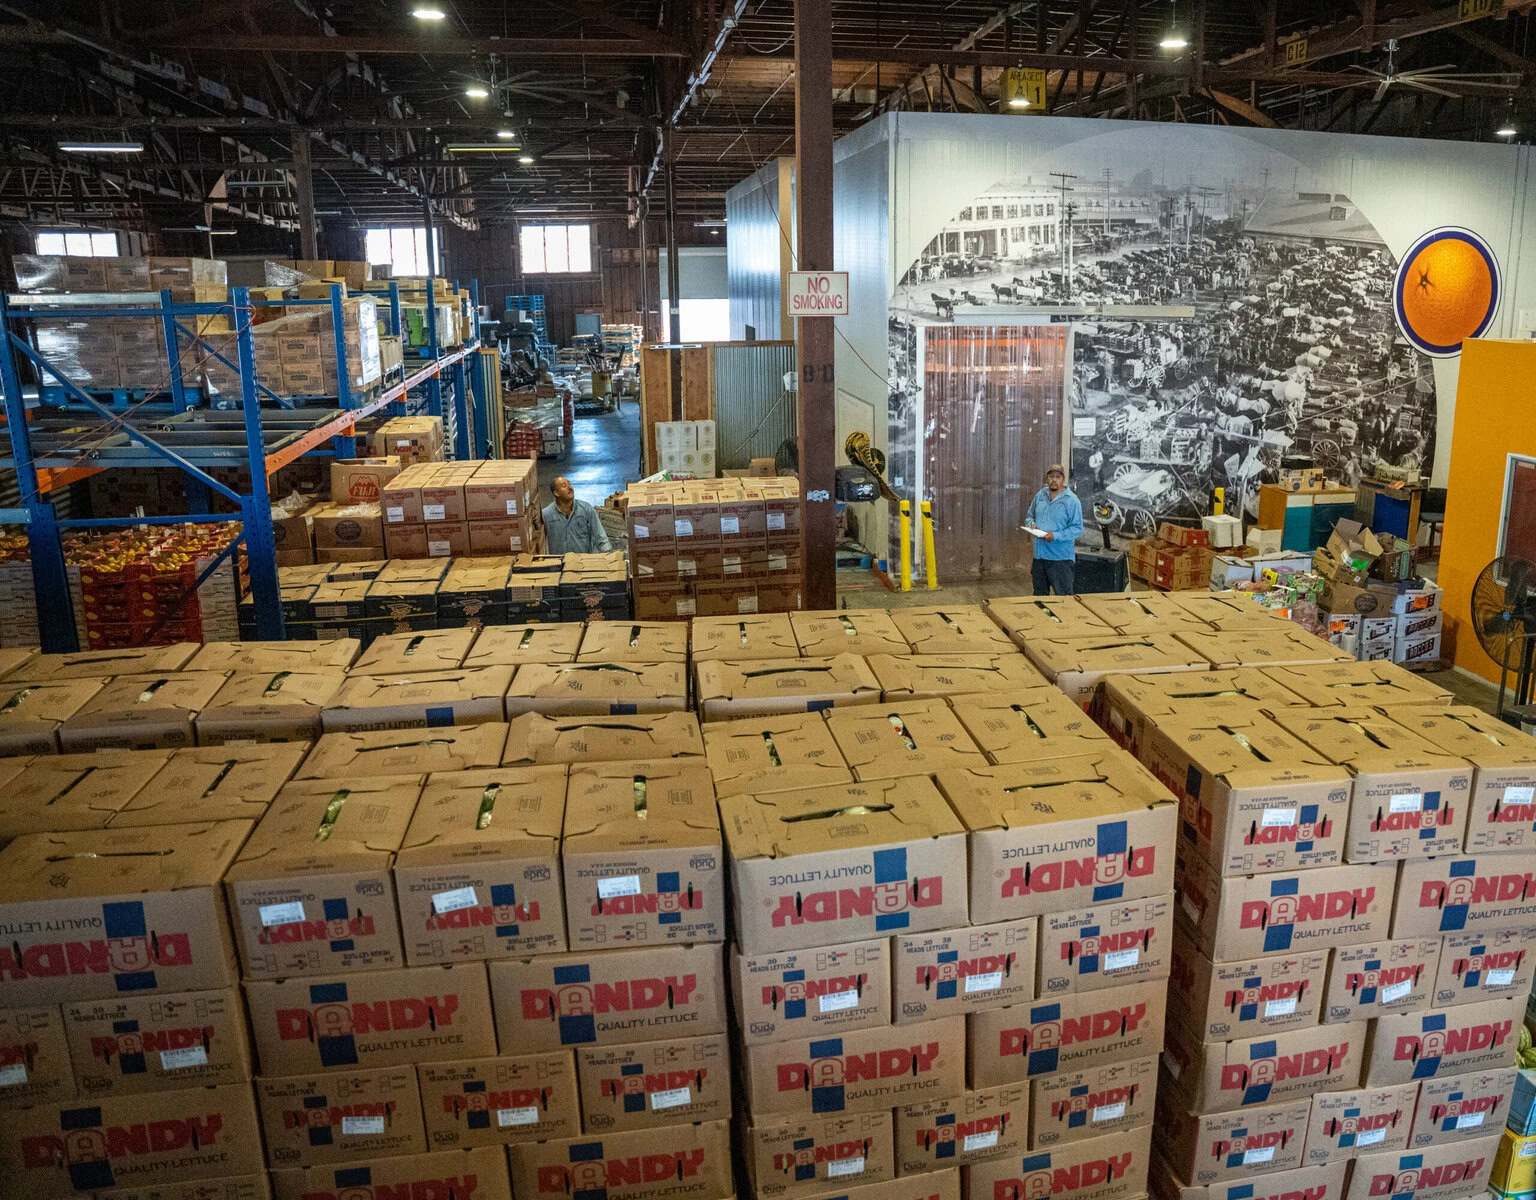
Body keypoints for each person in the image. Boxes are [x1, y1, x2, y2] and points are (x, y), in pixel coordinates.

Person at [1026, 463, 1083, 595]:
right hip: (1039, 557)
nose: (1054, 480)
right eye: (1051, 476)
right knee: (1039, 597)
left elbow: (1077, 529)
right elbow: (1029, 516)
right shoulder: (1040, 495)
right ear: (1047, 478)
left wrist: (1056, 536)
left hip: (1060, 559)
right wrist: (1031, 524)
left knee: (1064, 598)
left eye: (1058, 477)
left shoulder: (1072, 501)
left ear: (1063, 479)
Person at [543, 476, 612, 554]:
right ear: (556, 493)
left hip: (582, 563)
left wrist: (607, 553)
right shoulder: (546, 515)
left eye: (569, 484)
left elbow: (599, 535)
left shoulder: (586, 509)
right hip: (558, 564)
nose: (570, 488)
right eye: (564, 486)